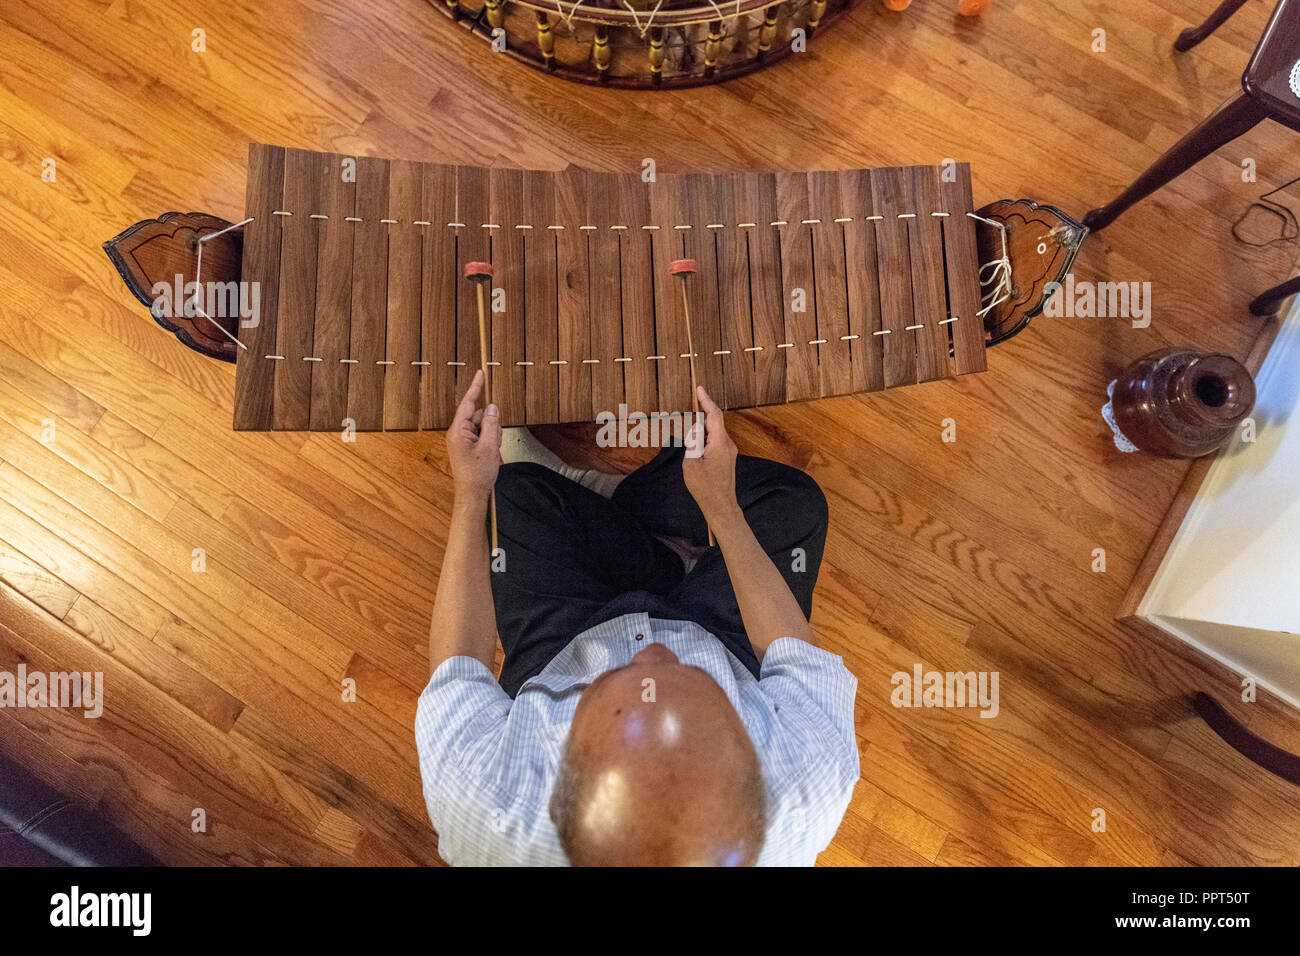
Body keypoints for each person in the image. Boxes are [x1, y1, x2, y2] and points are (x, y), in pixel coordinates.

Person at [415, 370, 858, 865]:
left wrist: (470, 494)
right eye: (702, 686)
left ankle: (621, 521)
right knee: (792, 504)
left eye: (603, 687)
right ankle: (657, 542)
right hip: (721, 635)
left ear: (555, 785)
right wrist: (723, 510)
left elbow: (457, 668)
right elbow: (792, 654)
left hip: (562, 642)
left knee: (511, 493)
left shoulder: (486, 808)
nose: (652, 647)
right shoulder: (811, 782)